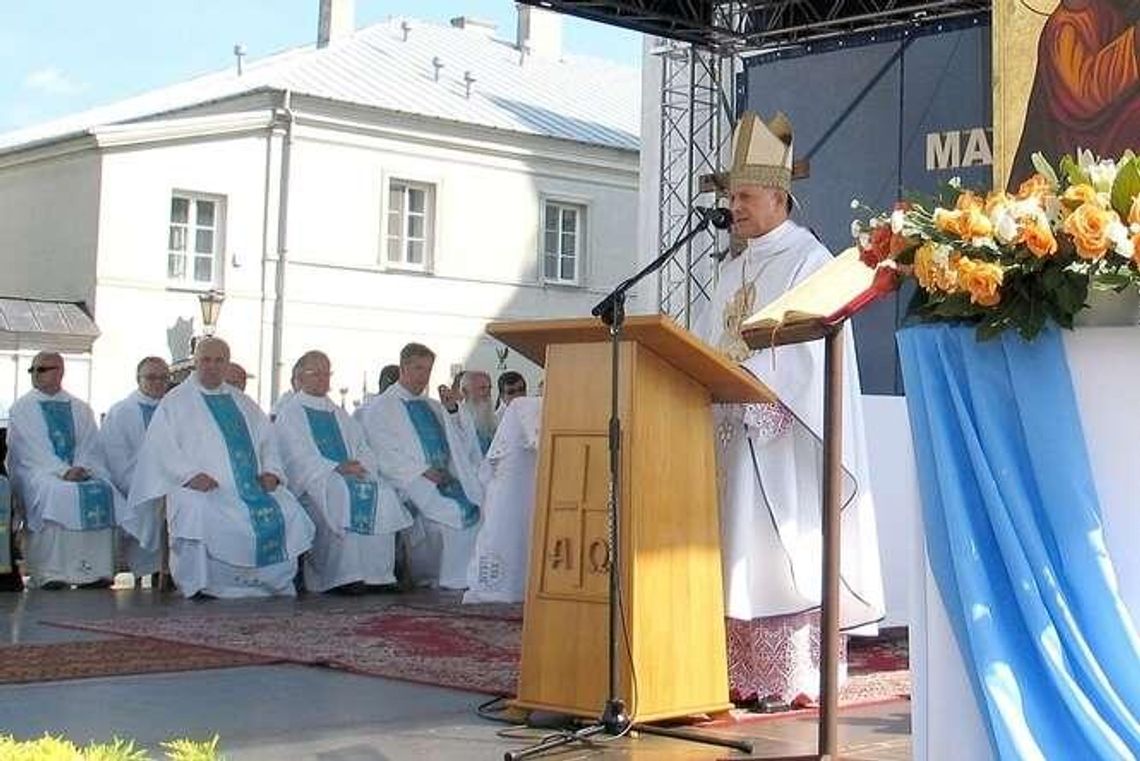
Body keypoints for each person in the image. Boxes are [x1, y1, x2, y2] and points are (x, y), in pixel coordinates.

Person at [695, 111, 884, 706]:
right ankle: (734, 668)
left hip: (781, 435)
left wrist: (755, 387)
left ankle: (791, 674)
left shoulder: (809, 260)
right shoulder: (732, 266)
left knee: (778, 547)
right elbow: (706, 340)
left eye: (746, 196)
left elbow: (811, 347)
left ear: (779, 198)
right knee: (732, 540)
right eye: (732, 196)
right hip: (728, 429)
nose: (737, 207)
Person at [123, 337, 315, 598]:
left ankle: (271, 583)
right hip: (198, 486)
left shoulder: (243, 402)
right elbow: (160, 450)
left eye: (218, 361)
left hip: (250, 487)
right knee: (197, 509)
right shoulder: (176, 401)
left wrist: (272, 472)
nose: (212, 366)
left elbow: (268, 442)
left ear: (227, 364)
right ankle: (203, 583)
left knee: (287, 506)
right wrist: (188, 476)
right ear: (195, 363)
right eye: (205, 360)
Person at [274, 350, 412, 593]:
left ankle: (379, 575)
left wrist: (361, 465)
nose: (322, 378)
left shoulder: (337, 412)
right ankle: (344, 576)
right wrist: (335, 467)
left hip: (350, 476)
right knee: (344, 494)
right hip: (317, 483)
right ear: (299, 377)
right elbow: (295, 457)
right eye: (314, 373)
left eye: (326, 373)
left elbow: (362, 446)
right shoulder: (291, 412)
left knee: (384, 493)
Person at [356, 343, 481, 589]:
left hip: (445, 479)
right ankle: (442, 577)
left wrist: (453, 410)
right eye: (418, 368)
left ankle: (464, 576)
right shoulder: (381, 407)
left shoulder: (433, 405)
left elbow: (459, 444)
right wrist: (422, 471)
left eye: (428, 370)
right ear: (403, 368)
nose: (423, 376)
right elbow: (382, 452)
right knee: (452, 515)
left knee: (478, 506)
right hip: (409, 481)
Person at [6, 352, 120, 589]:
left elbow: (90, 444)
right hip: (39, 472)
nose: (35, 375)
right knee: (56, 491)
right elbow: (29, 449)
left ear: (59, 371)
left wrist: (81, 467)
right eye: (33, 370)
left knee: (103, 489)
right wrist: (61, 471)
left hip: (78, 471)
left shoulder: (79, 408)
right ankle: (51, 572)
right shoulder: (23, 408)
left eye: (42, 369)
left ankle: (96, 571)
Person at [1008, 0, 1140, 185]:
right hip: (1080, 149)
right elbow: (1083, 95)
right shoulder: (1064, 25)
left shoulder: (1118, 10)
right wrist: (1134, 43)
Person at [463, 394, 542, 604]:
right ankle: (495, 588)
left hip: (517, 487)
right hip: (502, 489)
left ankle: (513, 586)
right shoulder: (520, 409)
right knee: (502, 534)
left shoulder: (520, 410)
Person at [100, 356, 169, 580]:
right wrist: (145, 482)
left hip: (175, 480)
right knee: (152, 501)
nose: (157, 382)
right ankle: (153, 568)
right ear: (137, 379)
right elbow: (114, 457)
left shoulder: (176, 410)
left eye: (163, 378)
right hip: (133, 482)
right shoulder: (120, 412)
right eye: (151, 377)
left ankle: (178, 567)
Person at [453, 369, 497, 458]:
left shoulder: (492, 418)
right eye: (482, 388)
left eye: (489, 388)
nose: (487, 393)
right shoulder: (457, 420)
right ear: (465, 392)